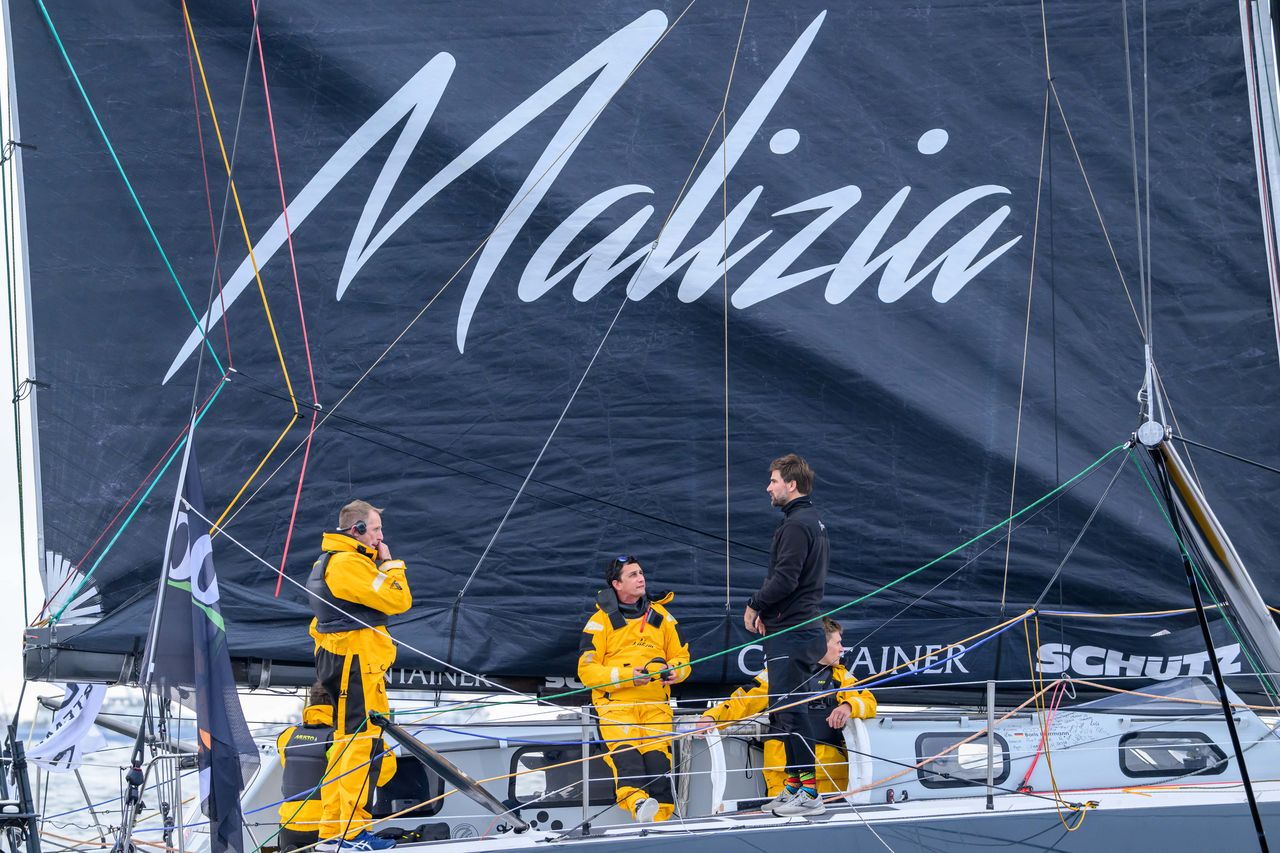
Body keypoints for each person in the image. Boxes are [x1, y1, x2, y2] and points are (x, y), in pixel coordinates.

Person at [307, 500, 412, 852]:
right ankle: (350, 833)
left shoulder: (332, 562)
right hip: (355, 667)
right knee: (357, 748)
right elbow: (398, 600)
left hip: (350, 663)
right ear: (359, 530)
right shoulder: (348, 564)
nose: (382, 536)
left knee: (347, 748)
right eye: (377, 528)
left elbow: (318, 625)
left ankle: (334, 832)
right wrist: (391, 564)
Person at [696, 618, 876, 803]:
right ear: (820, 644)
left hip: (829, 771)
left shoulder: (840, 677)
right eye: (837, 643)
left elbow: (868, 701)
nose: (842, 649)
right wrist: (712, 716)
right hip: (783, 771)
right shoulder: (778, 673)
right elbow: (743, 701)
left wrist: (848, 706)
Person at [742, 453, 831, 816]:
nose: (769, 487)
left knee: (792, 712)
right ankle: (793, 787)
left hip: (793, 632)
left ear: (791, 484)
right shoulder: (811, 521)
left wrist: (754, 606)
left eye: (774, 480)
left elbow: (785, 579)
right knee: (783, 711)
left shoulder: (797, 525)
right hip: (794, 627)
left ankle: (810, 795)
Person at [577, 555, 691, 823]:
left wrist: (677, 671)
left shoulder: (662, 617)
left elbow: (684, 659)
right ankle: (638, 803)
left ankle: (661, 821)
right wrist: (627, 677)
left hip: (655, 706)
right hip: (616, 706)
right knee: (627, 760)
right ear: (616, 584)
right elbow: (587, 671)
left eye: (641, 573)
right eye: (632, 575)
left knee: (659, 765)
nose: (641, 578)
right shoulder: (600, 621)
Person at [276, 683, 398, 852]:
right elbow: (383, 775)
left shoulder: (287, 736)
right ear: (341, 703)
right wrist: (376, 742)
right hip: (328, 828)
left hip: (289, 828)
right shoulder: (343, 740)